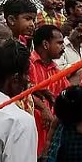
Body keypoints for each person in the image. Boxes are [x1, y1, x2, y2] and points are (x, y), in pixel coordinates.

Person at [28, 25, 67, 154]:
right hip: (31, 129)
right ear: (45, 44)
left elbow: (66, 92)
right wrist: (43, 108)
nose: (63, 47)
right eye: (59, 43)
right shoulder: (28, 65)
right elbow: (22, 93)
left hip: (49, 133)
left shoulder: (55, 69)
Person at [59, 18, 82, 86]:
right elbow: (61, 71)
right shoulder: (61, 46)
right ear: (71, 30)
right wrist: (79, 67)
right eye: (79, 30)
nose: (81, 35)